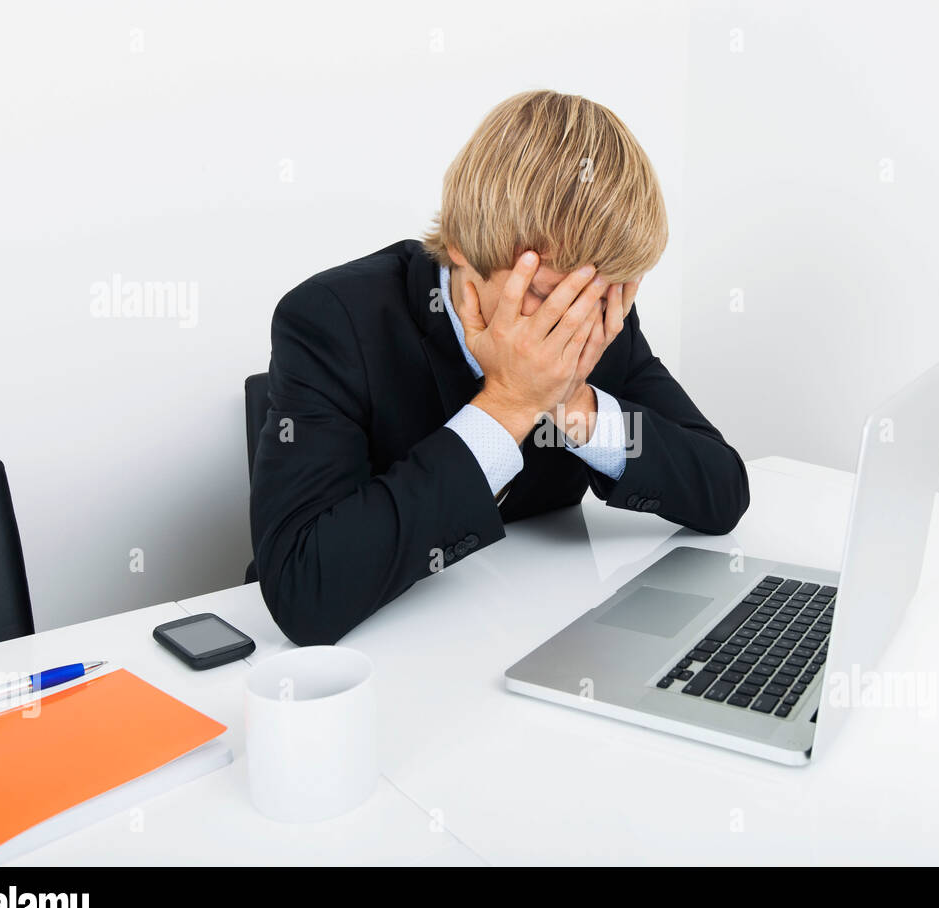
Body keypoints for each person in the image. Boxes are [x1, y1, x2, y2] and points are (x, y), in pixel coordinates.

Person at [250, 90, 750, 645]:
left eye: (600, 298)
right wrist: (509, 403)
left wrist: (572, 404)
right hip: (383, 659)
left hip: (531, 633)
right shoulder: (331, 320)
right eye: (544, 295)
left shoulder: (593, 314)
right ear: (465, 248)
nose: (575, 325)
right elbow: (305, 590)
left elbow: (722, 491)